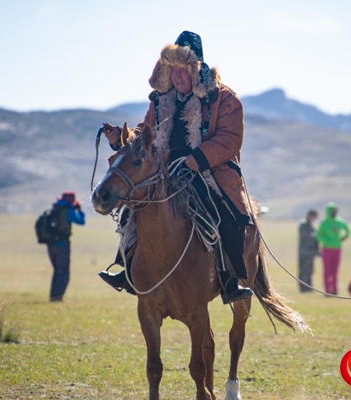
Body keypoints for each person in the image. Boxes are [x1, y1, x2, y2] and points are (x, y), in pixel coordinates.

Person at [98, 30, 253, 303]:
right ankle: (127, 270)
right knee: (131, 210)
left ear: (196, 69)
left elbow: (230, 139)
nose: (178, 76)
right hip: (165, 172)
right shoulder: (160, 99)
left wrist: (199, 158)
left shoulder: (224, 99)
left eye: (183, 70)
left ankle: (230, 280)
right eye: (173, 70)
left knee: (225, 215)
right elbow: (145, 134)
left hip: (208, 172)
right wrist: (120, 139)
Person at [47, 191, 85, 302]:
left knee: (57, 271)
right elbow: (81, 221)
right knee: (63, 272)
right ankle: (57, 298)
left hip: (50, 244)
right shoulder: (68, 210)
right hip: (62, 245)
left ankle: (53, 296)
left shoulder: (55, 208)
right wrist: (79, 210)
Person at [315, 203, 350, 295]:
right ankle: (327, 291)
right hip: (327, 249)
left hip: (337, 249)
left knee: (335, 270)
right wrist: (326, 241)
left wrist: (345, 236)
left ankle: (334, 290)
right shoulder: (324, 223)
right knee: (327, 271)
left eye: (335, 211)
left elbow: (347, 229)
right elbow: (318, 235)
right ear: (328, 211)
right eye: (332, 211)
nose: (334, 212)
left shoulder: (339, 221)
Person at [298, 209, 319, 292]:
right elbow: (306, 236)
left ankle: (309, 288)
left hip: (310, 252)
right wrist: (317, 236)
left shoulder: (310, 225)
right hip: (304, 252)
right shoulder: (303, 224)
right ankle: (303, 288)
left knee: (310, 271)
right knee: (303, 271)